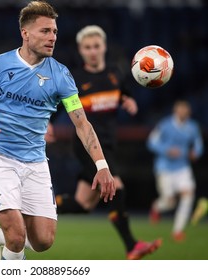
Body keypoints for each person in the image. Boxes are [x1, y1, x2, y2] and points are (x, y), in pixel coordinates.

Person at [0, 1, 115, 260]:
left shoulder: (61, 75)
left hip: (35, 162)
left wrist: (102, 166)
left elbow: (82, 123)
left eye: (54, 31)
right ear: (25, 33)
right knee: (16, 236)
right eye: (45, 31)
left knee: (43, 241)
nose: (52, 37)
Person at [50, 25, 162, 260]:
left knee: (83, 205)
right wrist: (47, 123)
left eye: (96, 46)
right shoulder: (75, 80)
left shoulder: (115, 73)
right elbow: (56, 106)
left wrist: (128, 100)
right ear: (81, 51)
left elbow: (123, 92)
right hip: (87, 146)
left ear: (104, 47)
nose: (92, 51)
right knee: (116, 187)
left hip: (109, 144)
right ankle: (132, 246)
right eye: (87, 47)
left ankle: (40, 205)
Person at [147, 100, 204, 241]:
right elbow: (151, 142)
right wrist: (167, 150)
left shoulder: (193, 127)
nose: (183, 112)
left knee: (188, 195)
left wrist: (195, 153)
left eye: (185, 110)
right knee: (169, 202)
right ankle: (157, 207)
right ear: (175, 111)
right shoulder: (165, 125)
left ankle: (177, 231)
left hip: (183, 167)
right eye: (180, 109)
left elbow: (198, 145)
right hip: (164, 167)